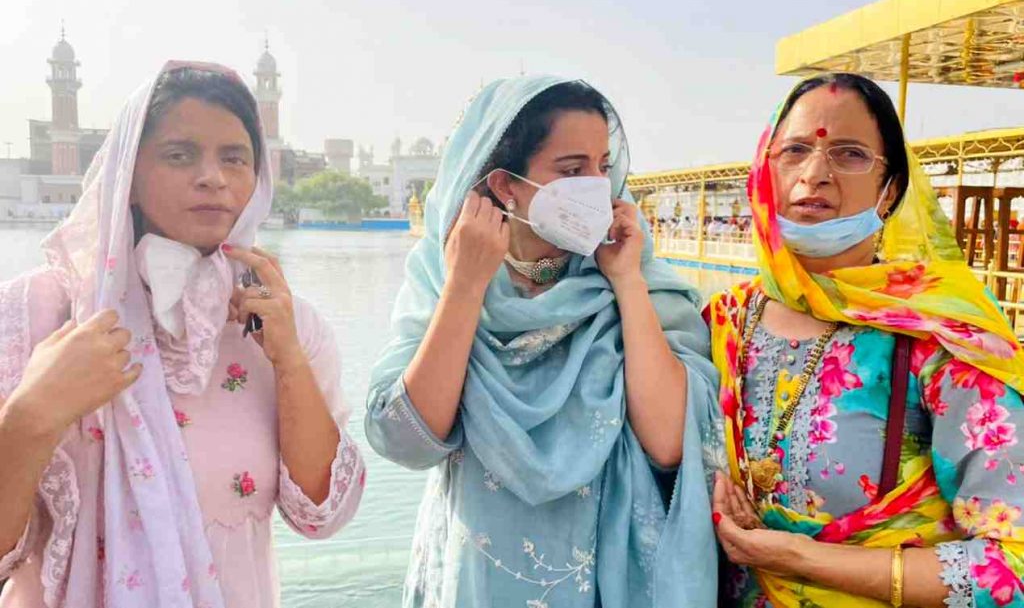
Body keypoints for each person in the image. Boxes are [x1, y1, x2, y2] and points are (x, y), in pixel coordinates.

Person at [0, 62, 365, 608]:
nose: (212, 177)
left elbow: (321, 516)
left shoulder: (282, 323)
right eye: (179, 154)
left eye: (234, 158)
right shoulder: (43, 312)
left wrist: (289, 362)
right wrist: (30, 418)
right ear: (129, 176)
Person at [365, 76, 721, 607]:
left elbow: (671, 442)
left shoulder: (637, 277)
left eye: (603, 167)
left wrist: (625, 281)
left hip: (612, 580)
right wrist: (466, 285)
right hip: (480, 582)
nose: (598, 188)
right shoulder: (444, 278)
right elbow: (407, 440)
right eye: (572, 170)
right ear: (505, 185)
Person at [708, 72, 1024, 607]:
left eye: (850, 154)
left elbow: (1010, 566)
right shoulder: (722, 319)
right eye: (794, 151)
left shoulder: (940, 333)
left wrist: (794, 557)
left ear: (891, 190)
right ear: (765, 171)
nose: (814, 174)